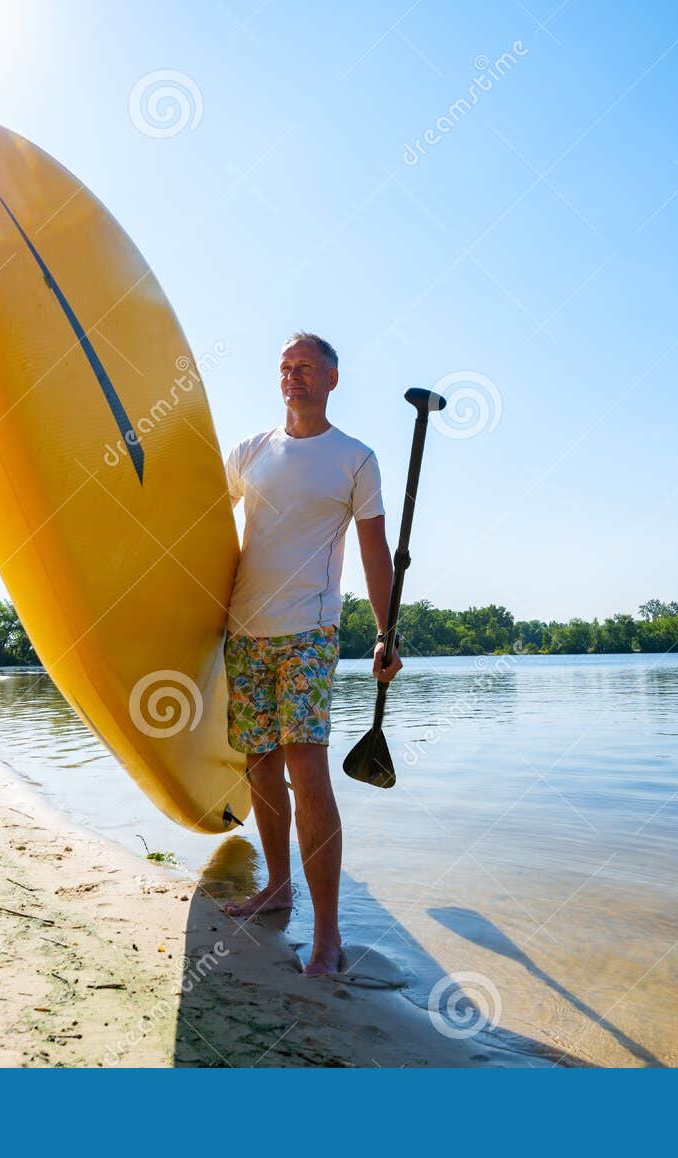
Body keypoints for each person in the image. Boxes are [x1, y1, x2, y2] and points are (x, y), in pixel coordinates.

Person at [219, 331, 403, 976]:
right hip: (244, 630)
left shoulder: (354, 458)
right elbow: (208, 525)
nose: (292, 376)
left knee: (307, 768)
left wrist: (385, 631)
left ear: (331, 378)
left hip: (309, 630)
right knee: (261, 766)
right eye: (284, 367)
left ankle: (329, 936)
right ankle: (276, 888)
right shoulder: (251, 451)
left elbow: (378, 551)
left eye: (305, 367)